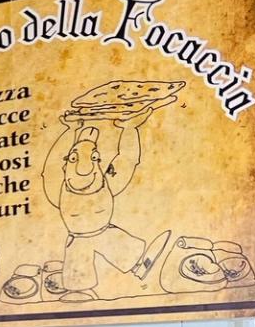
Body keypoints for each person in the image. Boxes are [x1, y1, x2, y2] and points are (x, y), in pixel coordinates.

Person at [37, 107, 168, 296]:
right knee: (77, 277)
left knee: (120, 246)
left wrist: (130, 129)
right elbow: (50, 168)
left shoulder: (106, 182)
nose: (84, 168)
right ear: (66, 165)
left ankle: (138, 266)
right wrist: (69, 131)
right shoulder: (58, 189)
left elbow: (126, 160)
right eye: (73, 159)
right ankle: (79, 293)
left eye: (94, 158)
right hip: (78, 239)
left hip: (103, 232)